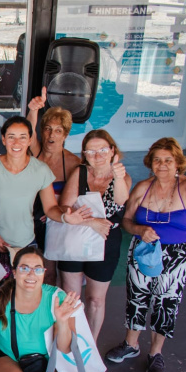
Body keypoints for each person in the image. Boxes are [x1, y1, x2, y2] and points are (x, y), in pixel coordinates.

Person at [106, 138, 186, 372]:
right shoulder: (142, 187)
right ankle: (131, 344)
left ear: (178, 163)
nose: (162, 165)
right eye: (157, 160)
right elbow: (127, 220)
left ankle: (156, 352)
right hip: (143, 250)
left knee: (166, 302)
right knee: (137, 297)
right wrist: (140, 231)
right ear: (151, 162)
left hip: (177, 255)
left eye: (168, 160)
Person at [0, 117, 91, 268]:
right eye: (11, 137)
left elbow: (50, 208)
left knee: (24, 288)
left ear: (30, 140)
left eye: (22, 137)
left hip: (26, 244)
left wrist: (65, 217)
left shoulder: (41, 170)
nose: (17, 143)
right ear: (3, 140)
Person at [58, 130, 131, 341]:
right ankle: (68, 342)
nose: (97, 155)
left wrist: (117, 178)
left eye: (102, 150)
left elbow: (120, 201)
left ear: (112, 151)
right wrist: (91, 222)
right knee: (70, 296)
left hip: (107, 242)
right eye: (91, 151)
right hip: (75, 239)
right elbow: (65, 205)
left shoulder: (122, 176)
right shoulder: (80, 172)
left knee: (95, 300)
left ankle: (89, 344)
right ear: (84, 153)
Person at [26, 88, 82, 284]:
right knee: (35, 269)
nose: (51, 134)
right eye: (48, 128)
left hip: (58, 221)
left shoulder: (74, 163)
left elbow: (80, 197)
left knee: (53, 272)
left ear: (65, 135)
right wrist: (33, 110)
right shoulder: (35, 151)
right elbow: (28, 132)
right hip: (31, 220)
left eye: (58, 130)